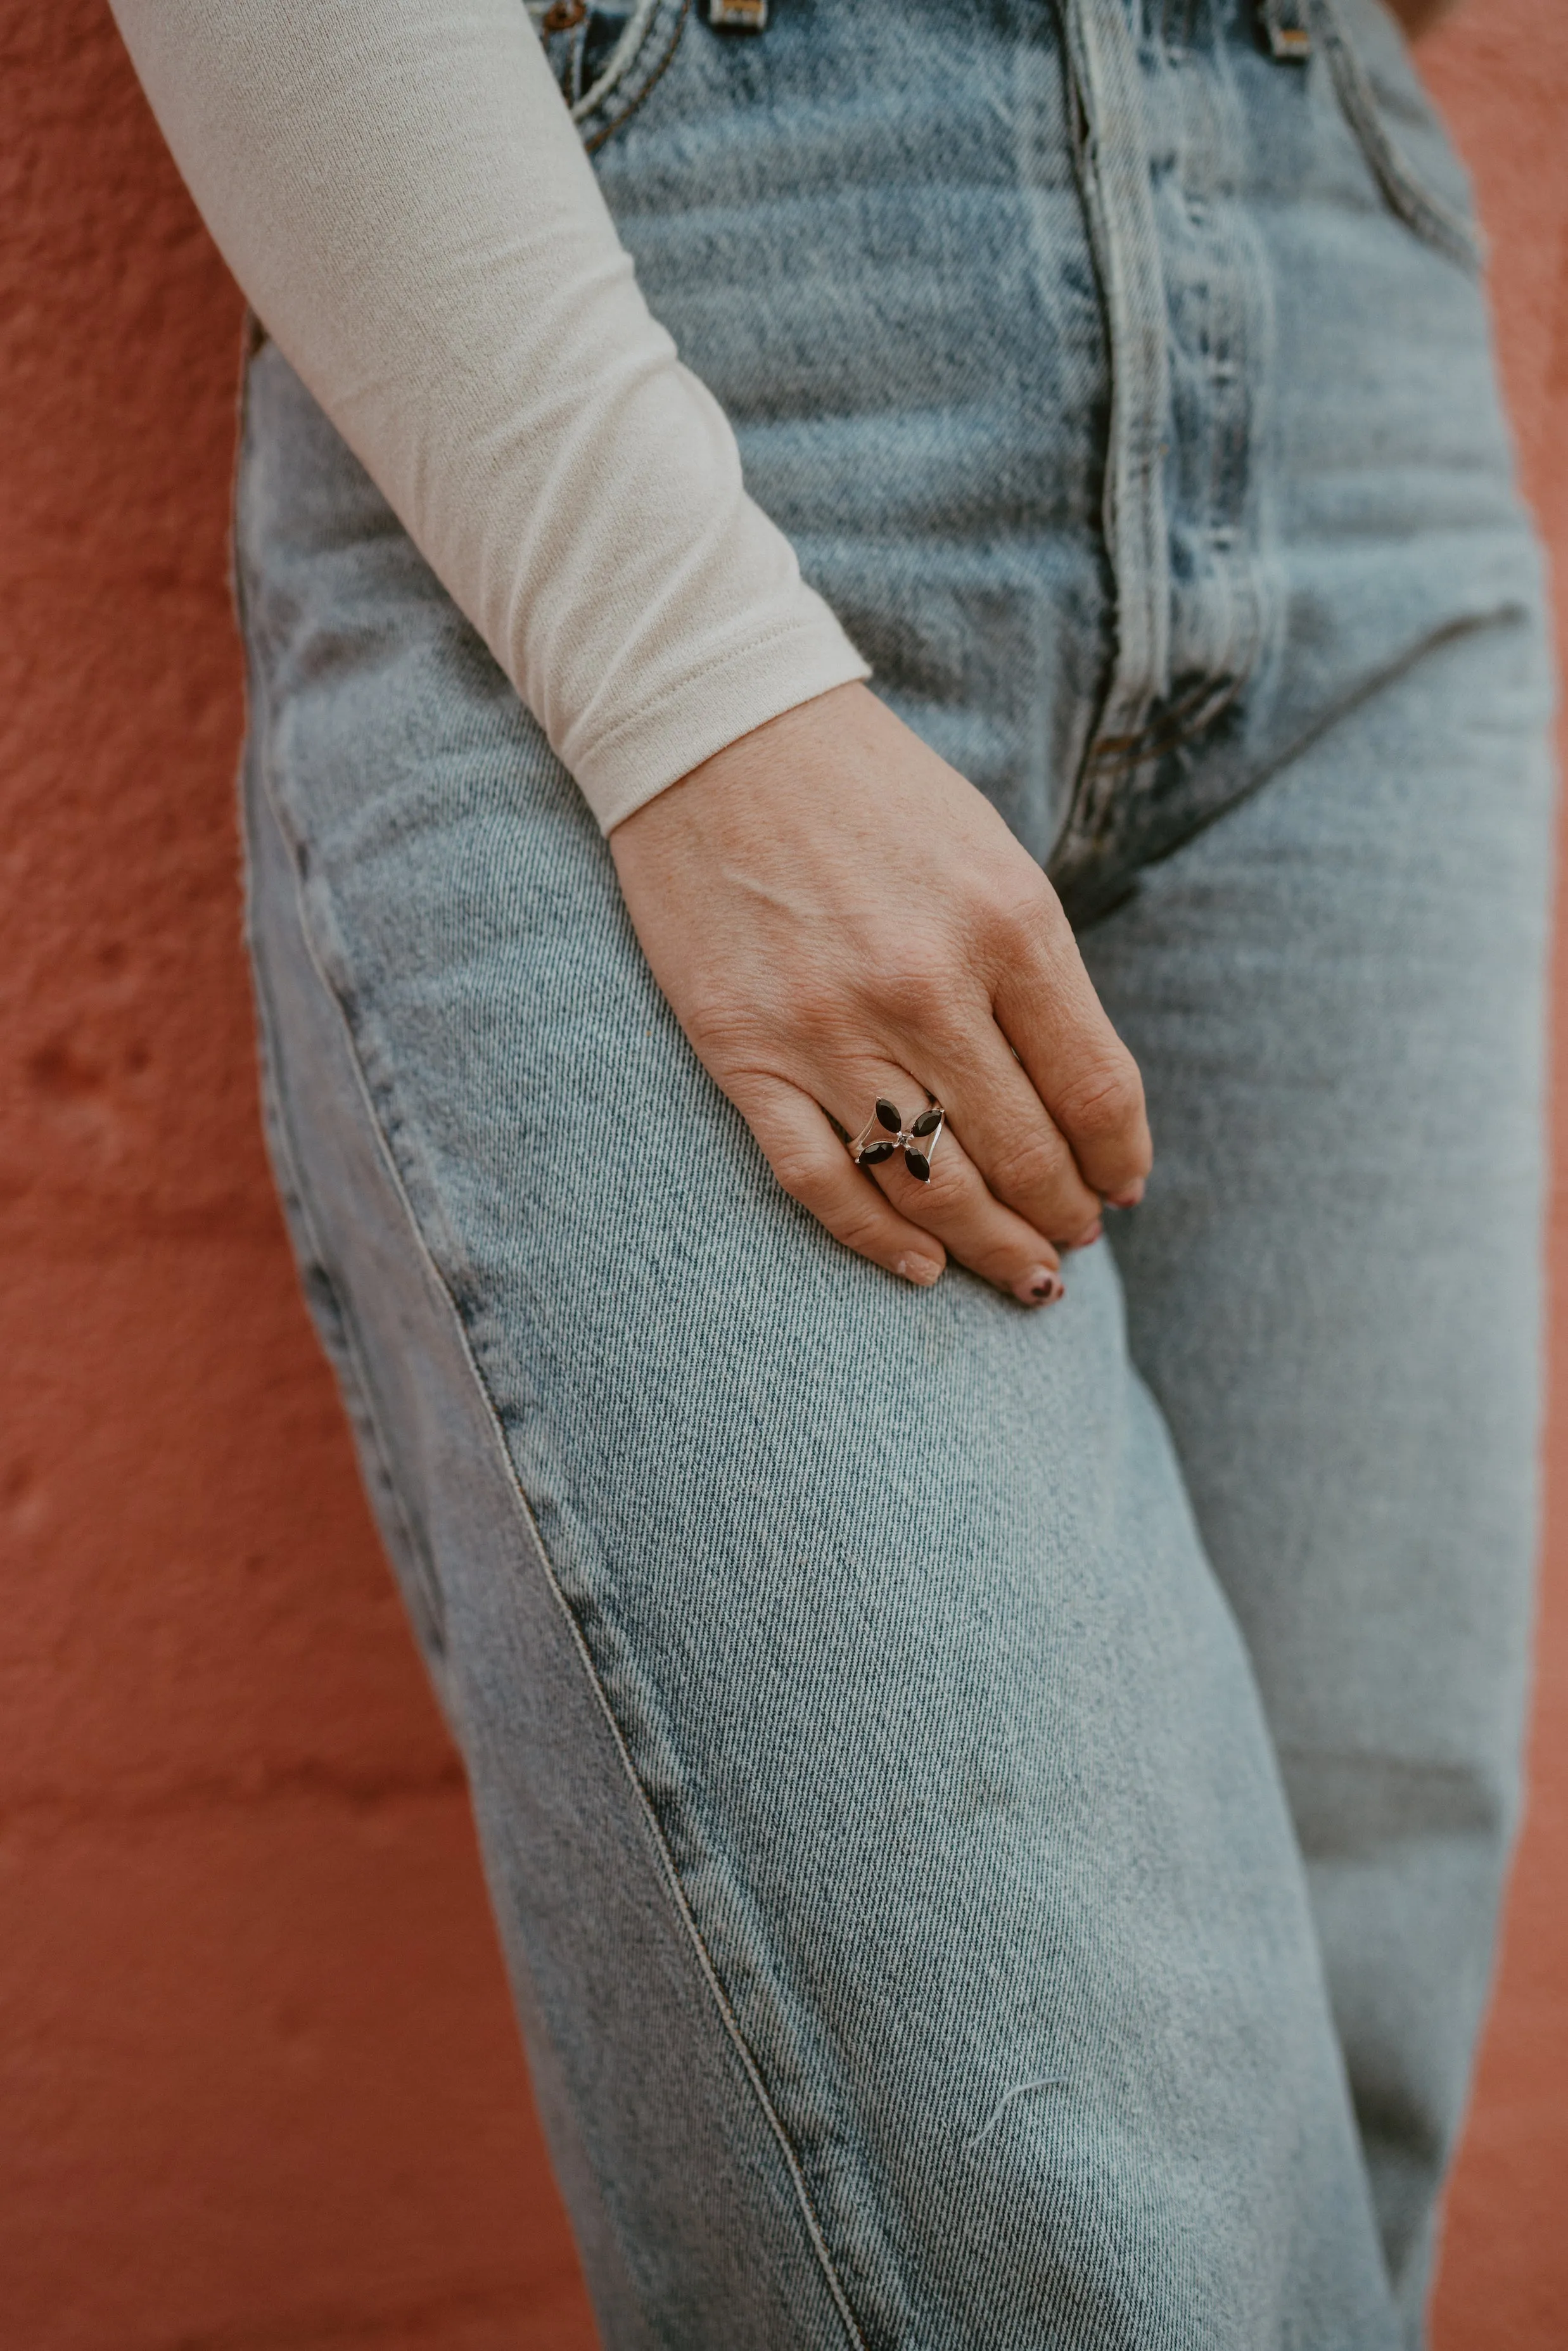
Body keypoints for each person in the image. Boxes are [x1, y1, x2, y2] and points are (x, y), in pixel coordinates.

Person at [108, 1, 1552, 2343]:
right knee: (1097, 2276)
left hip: (1342, 314)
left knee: (1340, 2164)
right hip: (653, 319)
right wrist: (691, 688)